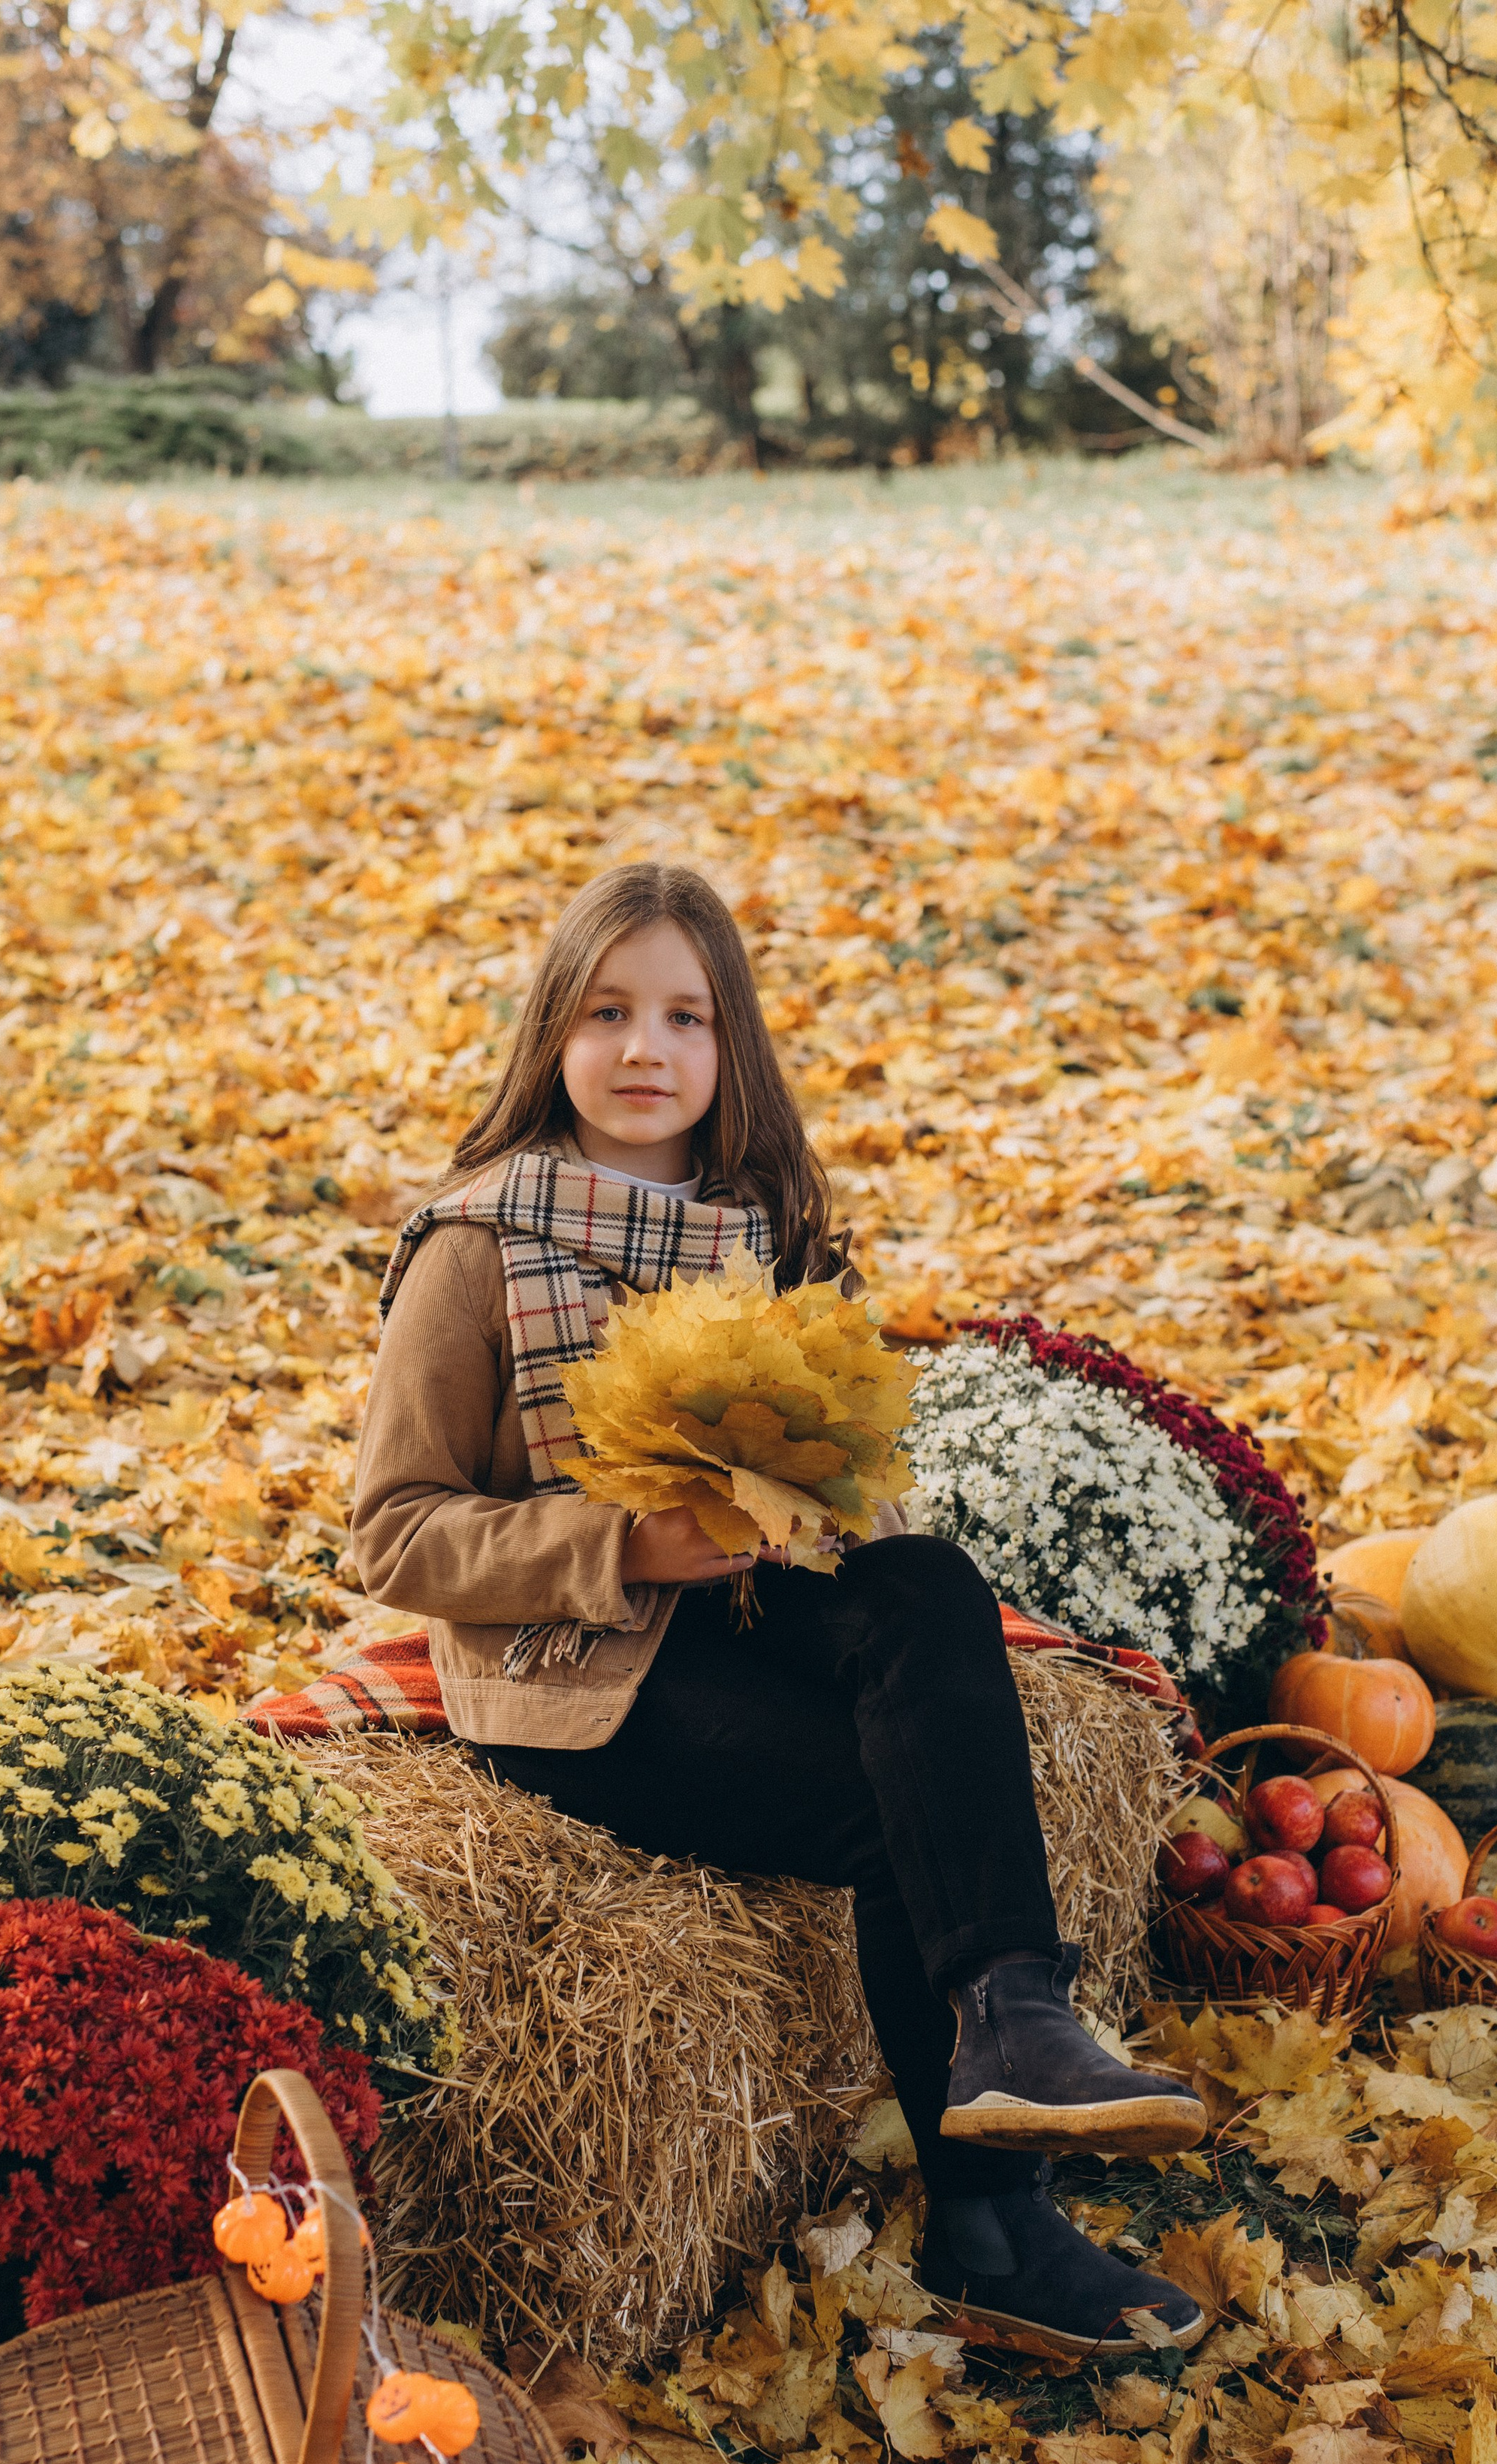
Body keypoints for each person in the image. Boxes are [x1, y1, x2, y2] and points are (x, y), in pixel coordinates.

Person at [351, 861, 1207, 2360]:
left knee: (927, 1582)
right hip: (582, 1676)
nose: (643, 1049)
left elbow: (857, 1472)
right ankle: (994, 2232)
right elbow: (396, 1532)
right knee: (898, 1811)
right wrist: (619, 1545)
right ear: (553, 1029)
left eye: (684, 1016)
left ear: (727, 1047)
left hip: (756, 1617)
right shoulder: (473, 1249)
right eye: (608, 1010)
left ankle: (1016, 2015)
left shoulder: (768, 1228)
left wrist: (829, 1506)